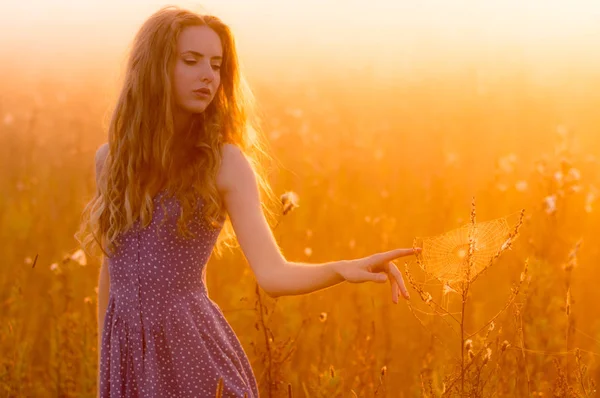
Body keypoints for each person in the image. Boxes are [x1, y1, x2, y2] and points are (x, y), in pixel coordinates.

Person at [76, 6, 419, 398]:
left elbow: (272, 274)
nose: (208, 74)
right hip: (127, 361)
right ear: (153, 68)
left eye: (217, 64)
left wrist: (342, 268)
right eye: (191, 61)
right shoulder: (111, 161)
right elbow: (111, 270)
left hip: (193, 359)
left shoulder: (224, 163)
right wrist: (107, 369)